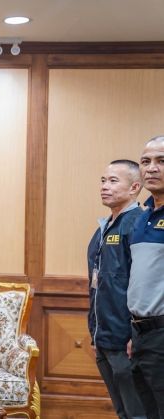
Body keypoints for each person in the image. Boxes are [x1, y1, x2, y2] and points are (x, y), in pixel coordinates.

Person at [86, 160, 146, 419]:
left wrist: (135, 335)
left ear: (134, 187)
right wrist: (95, 333)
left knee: (138, 412)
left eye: (113, 181)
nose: (104, 187)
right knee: (123, 412)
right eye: (103, 180)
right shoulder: (103, 229)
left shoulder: (138, 224)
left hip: (126, 341)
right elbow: (98, 286)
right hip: (103, 338)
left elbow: (143, 284)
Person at [128, 136, 164, 419]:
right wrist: (135, 333)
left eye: (161, 161)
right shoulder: (141, 217)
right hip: (141, 333)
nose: (151, 168)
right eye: (145, 161)